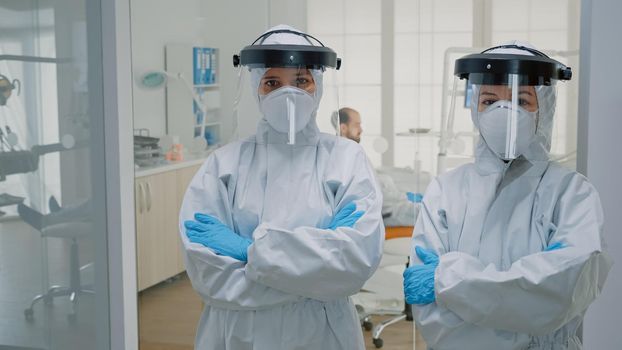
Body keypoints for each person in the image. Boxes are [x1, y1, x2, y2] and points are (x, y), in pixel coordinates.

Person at [179, 25, 384, 350]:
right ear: (255, 88)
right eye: (272, 82)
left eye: (301, 81)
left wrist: (249, 252)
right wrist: (317, 267)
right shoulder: (222, 165)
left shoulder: (347, 159)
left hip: (324, 334)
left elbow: (355, 264)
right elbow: (210, 278)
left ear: (318, 85)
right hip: (239, 336)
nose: (288, 94)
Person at [403, 42, 612, 349]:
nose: (504, 112)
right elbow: (433, 318)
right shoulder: (446, 191)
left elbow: (560, 293)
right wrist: (518, 304)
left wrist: (447, 280)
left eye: (521, 100)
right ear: (475, 108)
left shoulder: (572, 193)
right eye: (489, 100)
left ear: (546, 107)